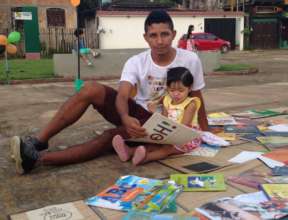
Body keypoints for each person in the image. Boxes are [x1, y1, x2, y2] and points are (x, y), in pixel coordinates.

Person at [10, 9, 208, 175]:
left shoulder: (190, 59)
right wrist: (124, 117)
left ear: (173, 34)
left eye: (165, 34)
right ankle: (38, 141)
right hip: (139, 117)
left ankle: (35, 159)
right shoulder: (136, 62)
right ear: (145, 38)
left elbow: (197, 95)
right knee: (91, 89)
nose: (160, 41)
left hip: (169, 126)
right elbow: (122, 94)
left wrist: (206, 131)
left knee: (108, 138)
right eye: (153, 35)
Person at [112, 67, 202, 165]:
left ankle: (145, 158)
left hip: (186, 138)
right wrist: (155, 114)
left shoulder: (190, 104)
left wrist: (168, 137)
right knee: (153, 145)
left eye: (181, 91)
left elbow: (184, 127)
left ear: (189, 88)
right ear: (167, 88)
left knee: (166, 149)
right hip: (171, 134)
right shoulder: (167, 100)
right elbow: (164, 120)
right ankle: (128, 151)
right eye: (172, 90)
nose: (176, 94)